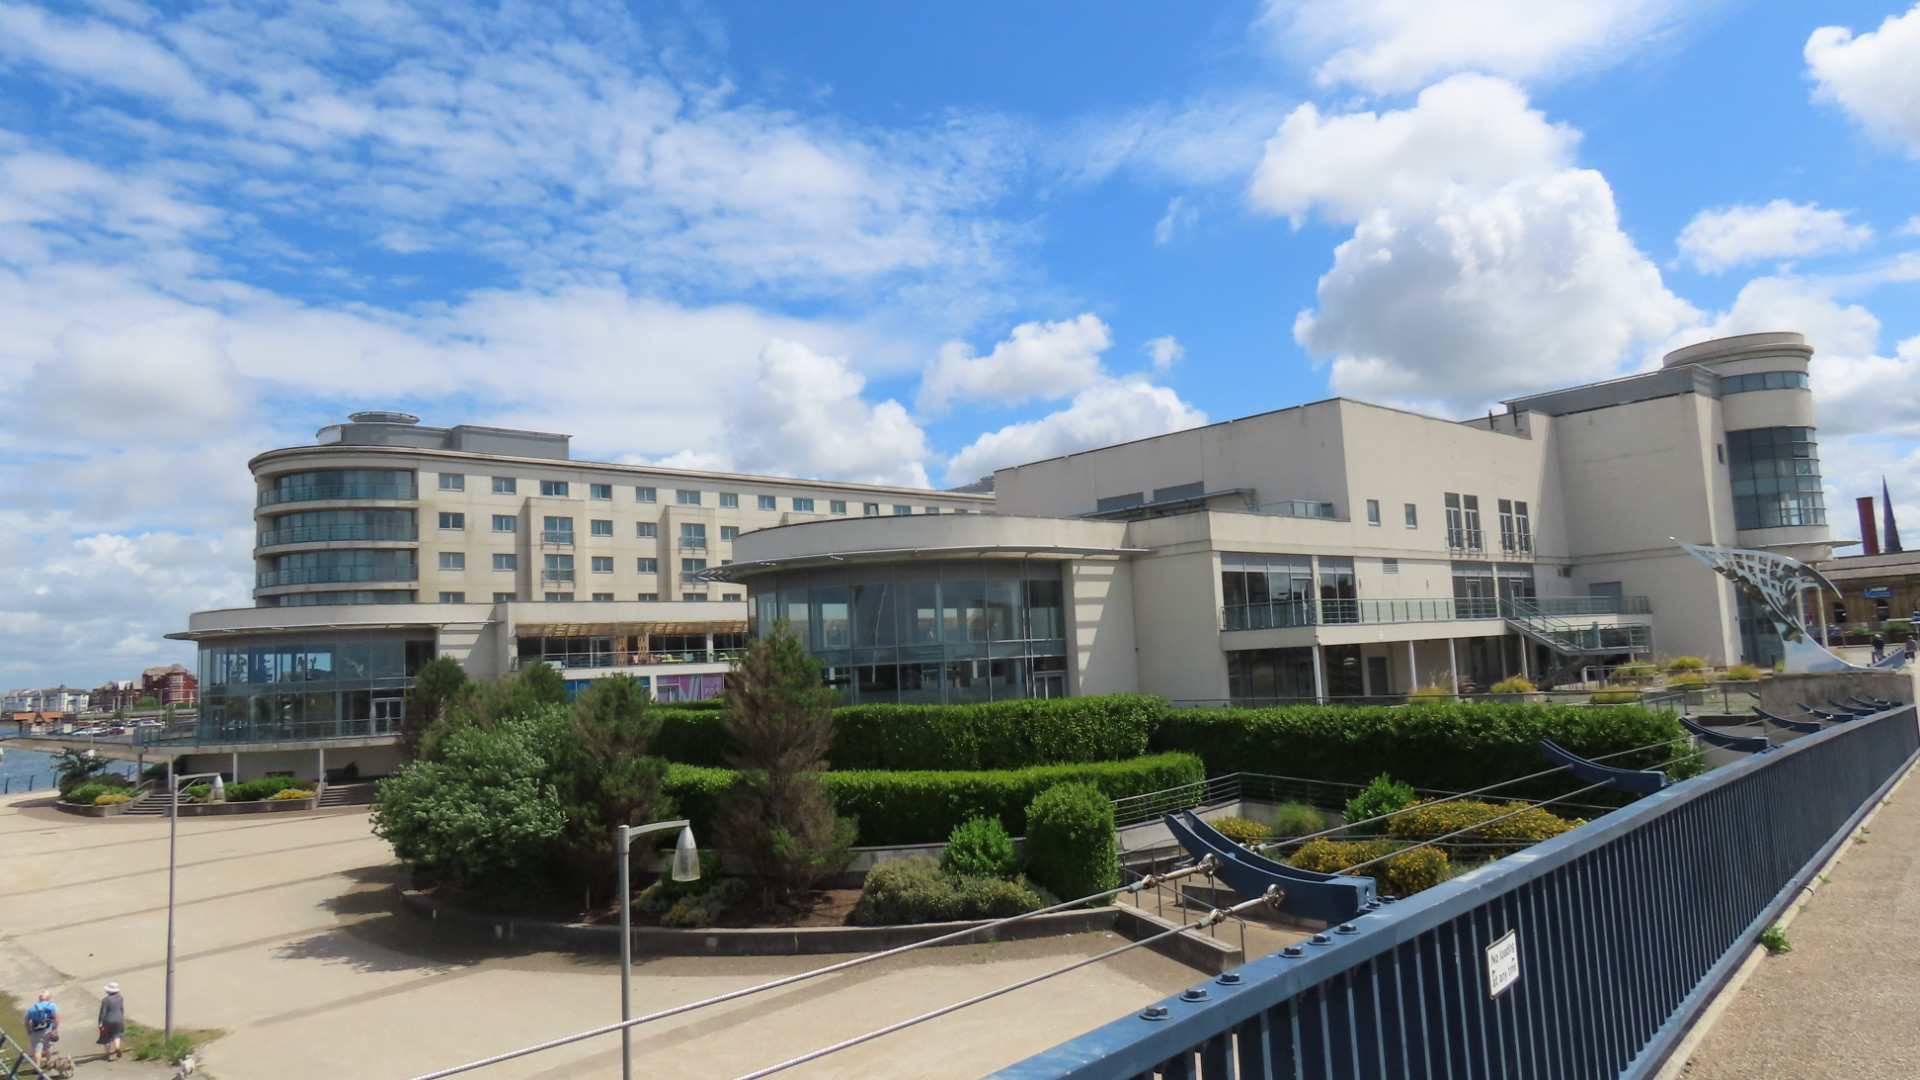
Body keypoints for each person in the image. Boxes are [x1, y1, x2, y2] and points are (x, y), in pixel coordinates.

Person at [24, 990, 58, 1069]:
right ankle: (48, 1062)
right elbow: (57, 1018)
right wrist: (56, 1028)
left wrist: (28, 1030)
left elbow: (26, 1022)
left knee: (37, 1050)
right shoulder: (52, 1006)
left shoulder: (32, 1008)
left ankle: (37, 1067)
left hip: (36, 1031)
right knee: (48, 1046)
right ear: (48, 998)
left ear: (39, 998)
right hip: (48, 1030)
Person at [97, 982, 125, 1061]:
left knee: (106, 1037)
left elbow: (103, 1012)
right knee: (117, 1035)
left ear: (109, 991)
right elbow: (121, 1009)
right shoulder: (120, 998)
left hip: (108, 1020)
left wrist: (100, 1022)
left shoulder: (106, 1000)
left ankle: (107, 1054)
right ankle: (117, 1047)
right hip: (119, 1019)